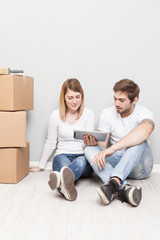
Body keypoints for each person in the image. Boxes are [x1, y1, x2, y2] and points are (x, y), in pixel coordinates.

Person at [84, 79, 154, 207]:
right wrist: (94, 143)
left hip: (140, 166)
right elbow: (102, 148)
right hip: (118, 162)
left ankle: (114, 181)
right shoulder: (107, 113)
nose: (117, 103)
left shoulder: (144, 112)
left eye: (121, 100)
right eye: (115, 99)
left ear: (134, 100)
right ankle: (123, 188)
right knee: (88, 150)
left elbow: (146, 130)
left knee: (139, 141)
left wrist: (113, 148)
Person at [30, 78, 94, 201]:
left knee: (79, 163)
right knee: (64, 170)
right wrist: (41, 165)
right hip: (62, 155)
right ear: (63, 98)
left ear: (82, 96)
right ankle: (65, 185)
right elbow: (50, 142)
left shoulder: (88, 114)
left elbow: (89, 144)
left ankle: (60, 180)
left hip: (83, 156)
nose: (75, 101)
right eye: (70, 98)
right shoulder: (55, 115)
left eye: (77, 97)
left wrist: (90, 142)